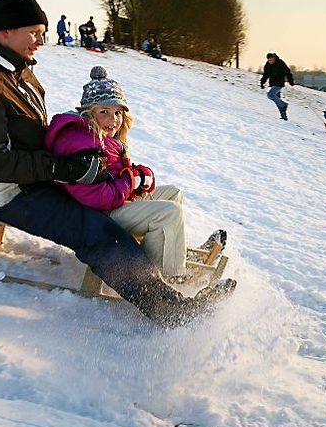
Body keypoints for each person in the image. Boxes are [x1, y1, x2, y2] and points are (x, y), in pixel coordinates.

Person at [0, 0, 232, 327]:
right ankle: (168, 308)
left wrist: (78, 155)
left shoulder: (18, 73)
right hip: (7, 194)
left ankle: (169, 264)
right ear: (6, 31)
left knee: (111, 211)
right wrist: (61, 167)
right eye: (34, 32)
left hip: (38, 181)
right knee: (95, 229)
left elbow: (33, 136)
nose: (40, 41)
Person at [45, 66, 224, 279]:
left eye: (118, 113)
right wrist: (130, 180)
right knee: (169, 213)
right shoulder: (83, 144)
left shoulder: (103, 138)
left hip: (113, 205)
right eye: (104, 112)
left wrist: (136, 176)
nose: (114, 120)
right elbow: (97, 197)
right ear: (89, 113)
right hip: (98, 217)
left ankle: (173, 256)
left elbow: (115, 175)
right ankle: (168, 276)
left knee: (173, 193)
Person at [260, 52, 294, 120]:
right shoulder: (268, 65)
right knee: (277, 100)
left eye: (271, 60)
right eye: (269, 60)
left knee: (270, 95)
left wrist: (290, 81)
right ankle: (283, 116)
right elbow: (266, 74)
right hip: (272, 83)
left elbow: (288, 72)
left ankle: (284, 104)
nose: (270, 61)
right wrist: (262, 82)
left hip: (279, 83)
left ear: (274, 58)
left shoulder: (280, 63)